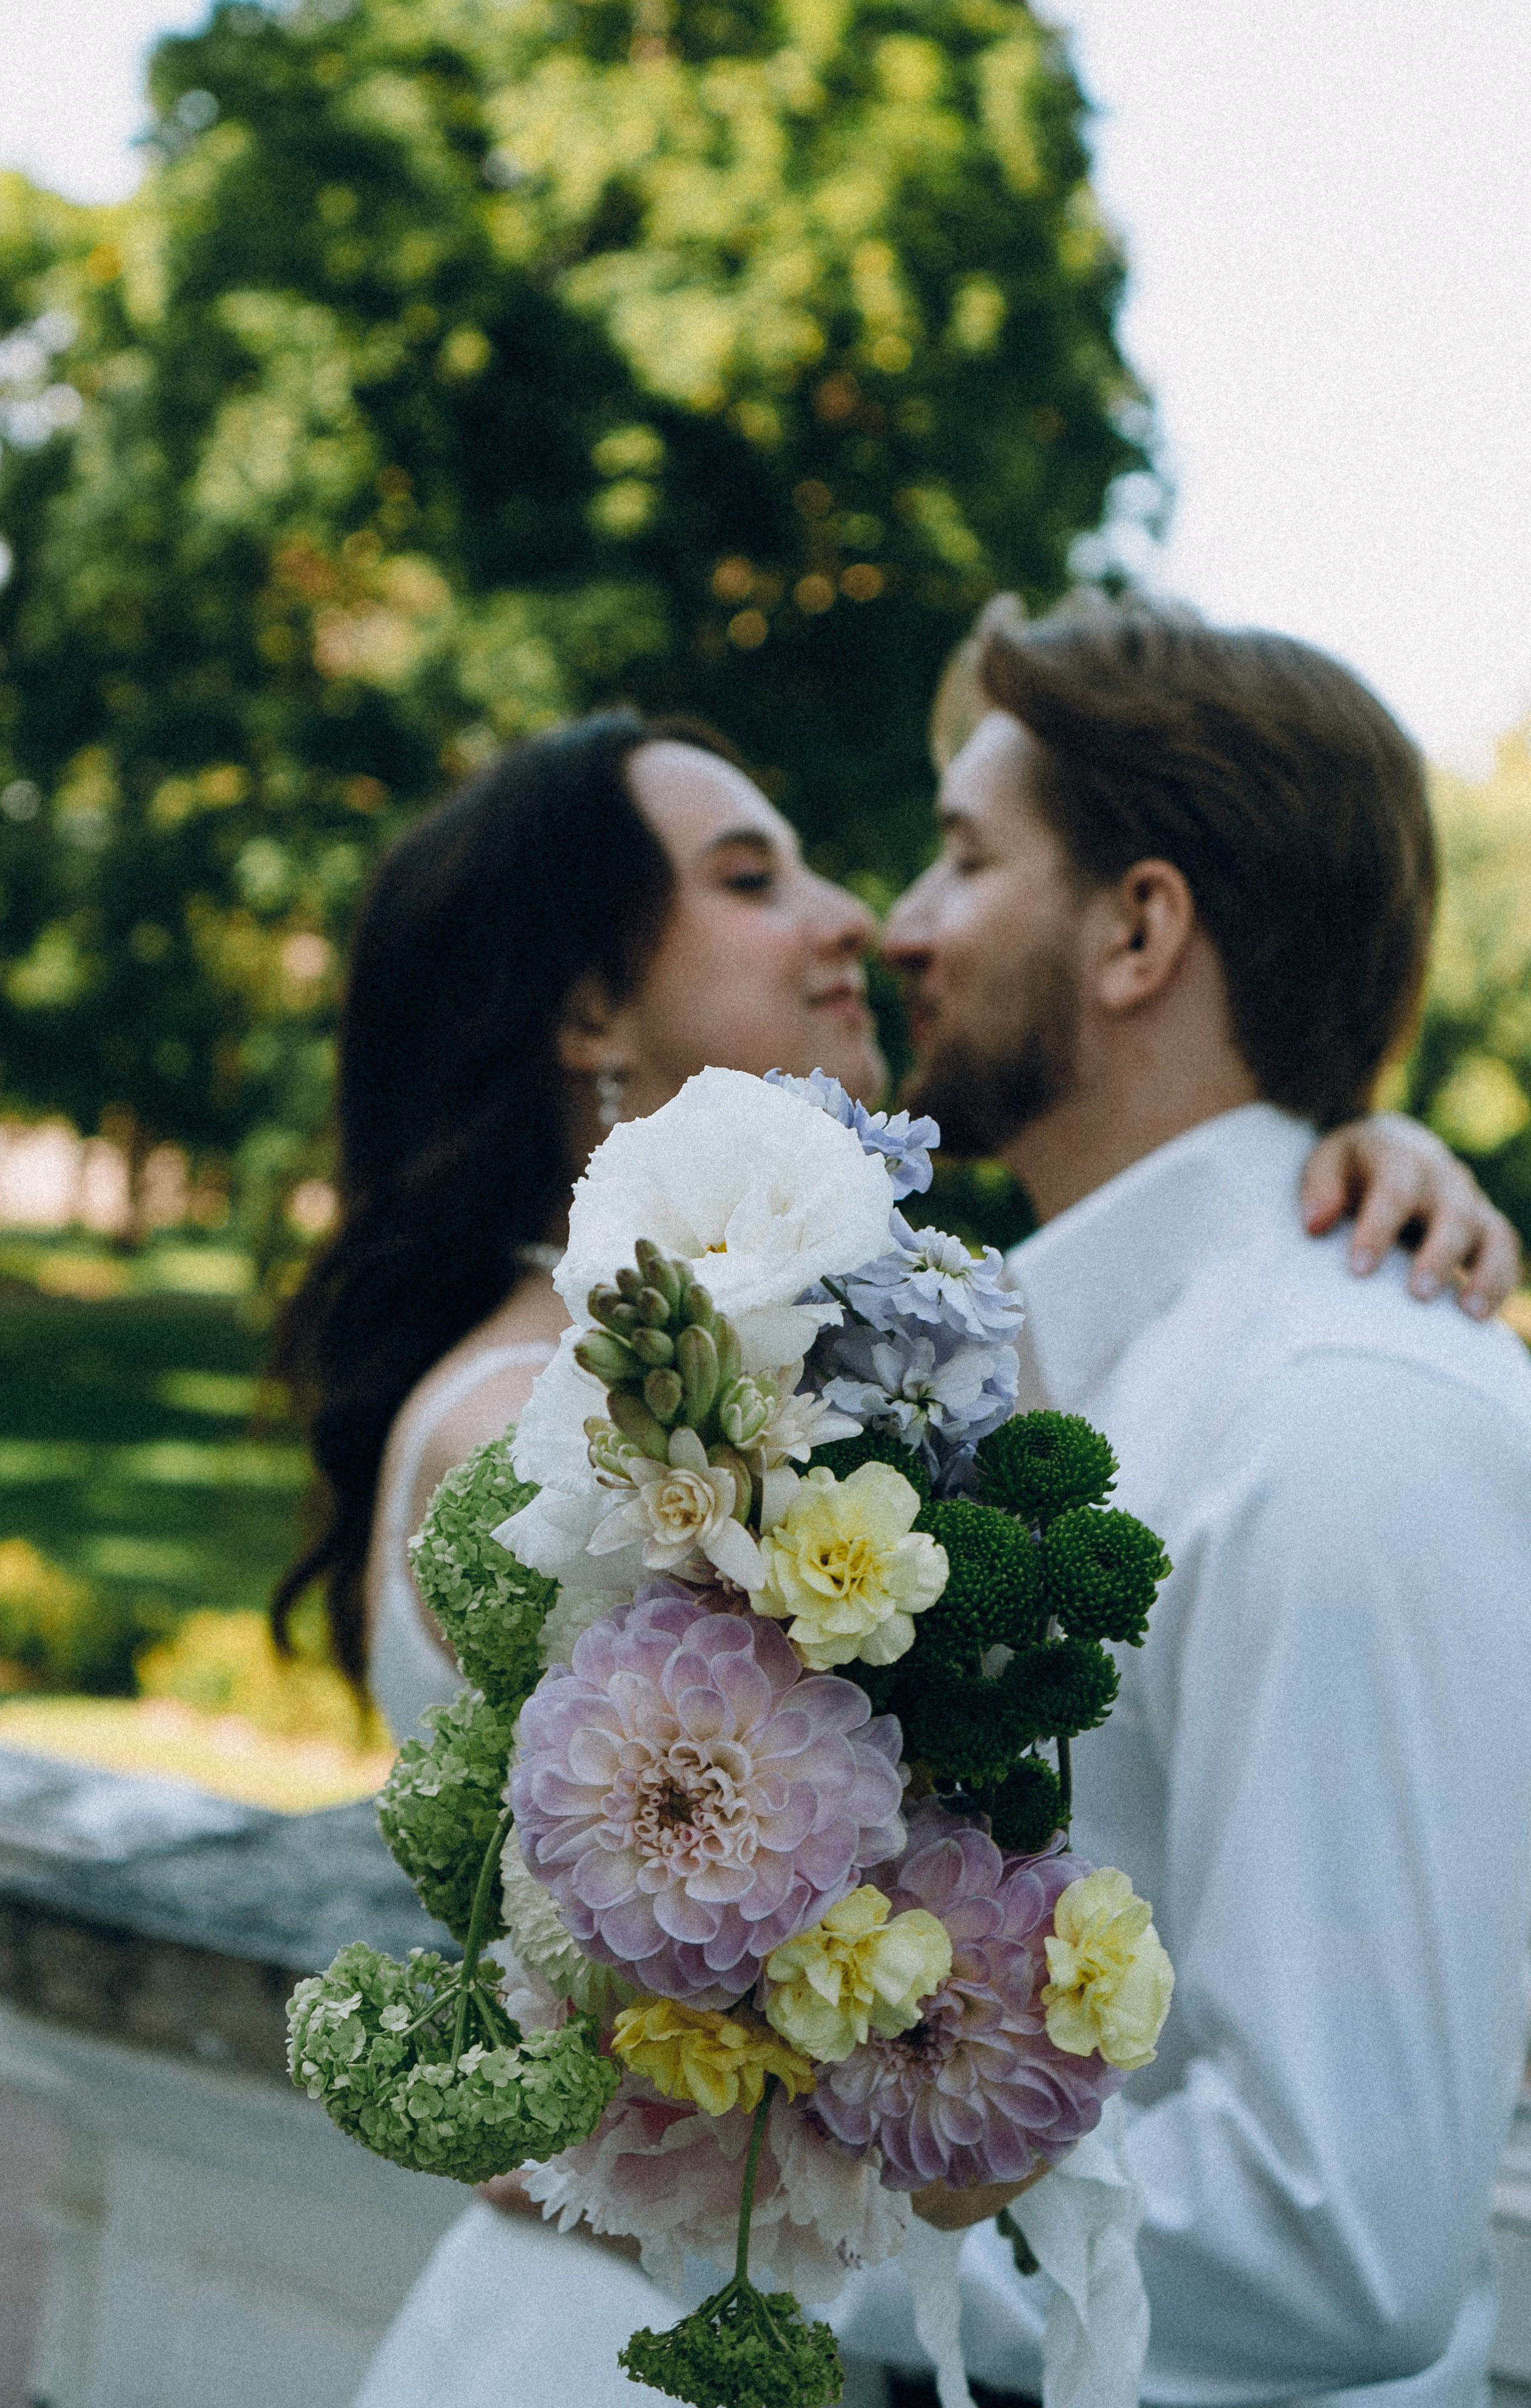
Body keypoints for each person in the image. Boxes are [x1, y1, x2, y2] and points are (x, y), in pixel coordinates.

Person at [271, 704, 1517, 2408]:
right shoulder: (553, 1420)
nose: (855, 911)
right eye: (749, 874)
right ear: (587, 1009)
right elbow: (833, 1945)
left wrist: (1323, 1164)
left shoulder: (778, 1364)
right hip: (634, 2335)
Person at [832, 596, 1531, 2408]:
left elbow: (1336, 2231)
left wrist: (792, 2219)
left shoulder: (1348, 1419)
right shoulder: (1036, 1362)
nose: (897, 925)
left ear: (1140, 928)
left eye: (965, 857)